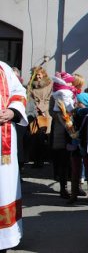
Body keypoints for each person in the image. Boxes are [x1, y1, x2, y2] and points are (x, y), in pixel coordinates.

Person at [0, 61, 27, 252]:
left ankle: (3, 239)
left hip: (4, 142)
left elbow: (19, 91)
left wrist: (12, 111)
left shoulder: (3, 68)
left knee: (4, 188)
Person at [51, 71, 77, 199]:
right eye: (70, 81)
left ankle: (74, 188)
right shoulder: (60, 96)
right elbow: (61, 114)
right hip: (62, 133)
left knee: (71, 163)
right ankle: (64, 188)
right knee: (64, 163)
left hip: (67, 132)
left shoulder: (68, 94)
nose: (72, 83)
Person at [67, 92, 88, 204]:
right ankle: (75, 194)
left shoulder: (86, 113)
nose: (76, 103)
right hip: (79, 146)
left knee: (87, 172)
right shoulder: (77, 113)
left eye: (79, 102)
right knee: (77, 172)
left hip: (83, 145)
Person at [25, 66, 52, 168]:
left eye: (39, 74)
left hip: (45, 112)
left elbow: (49, 98)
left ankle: (43, 160)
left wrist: (42, 108)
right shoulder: (30, 85)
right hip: (34, 113)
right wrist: (33, 107)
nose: (38, 76)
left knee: (44, 135)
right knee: (34, 136)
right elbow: (28, 97)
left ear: (43, 74)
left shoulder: (49, 84)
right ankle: (36, 160)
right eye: (36, 74)